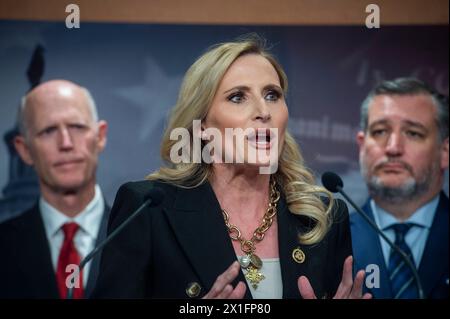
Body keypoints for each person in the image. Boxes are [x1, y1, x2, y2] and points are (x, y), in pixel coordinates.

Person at [93, 37, 370, 299]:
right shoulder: (150, 211)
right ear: (202, 126)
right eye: (238, 97)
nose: (264, 111)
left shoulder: (323, 217)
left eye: (272, 95)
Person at [0, 80, 110, 299]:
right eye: (48, 130)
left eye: (77, 127)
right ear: (24, 150)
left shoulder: (149, 239)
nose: (66, 142)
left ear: (100, 136)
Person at [351, 77, 449, 299]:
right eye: (379, 132)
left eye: (413, 133)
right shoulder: (330, 241)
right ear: (361, 146)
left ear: (444, 152)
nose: (393, 148)